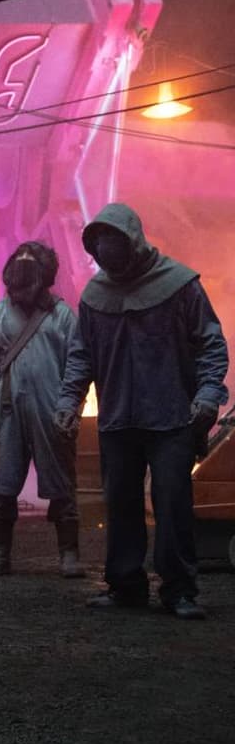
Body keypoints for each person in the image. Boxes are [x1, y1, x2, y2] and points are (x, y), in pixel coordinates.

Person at [54, 203, 228, 620]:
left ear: (133, 243)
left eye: (113, 248)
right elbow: (82, 356)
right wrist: (68, 401)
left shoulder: (180, 285)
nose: (106, 259)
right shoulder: (96, 296)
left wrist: (208, 394)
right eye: (100, 251)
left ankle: (179, 589)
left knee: (172, 504)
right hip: (119, 418)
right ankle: (126, 586)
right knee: (120, 504)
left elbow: (210, 344)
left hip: (172, 417)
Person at [0, 242, 84, 578]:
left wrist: (70, 406)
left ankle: (69, 553)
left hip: (52, 408)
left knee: (61, 480)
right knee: (3, 482)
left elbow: (77, 365)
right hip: (7, 409)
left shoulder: (63, 316)